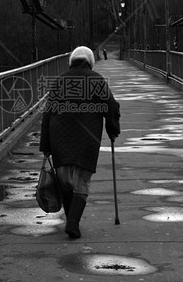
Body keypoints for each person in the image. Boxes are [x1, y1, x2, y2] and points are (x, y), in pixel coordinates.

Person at [39, 46, 120, 239]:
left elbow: (47, 114)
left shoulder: (59, 81)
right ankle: (73, 223)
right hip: (87, 140)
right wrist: (113, 129)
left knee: (65, 180)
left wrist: (46, 145)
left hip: (59, 137)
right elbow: (111, 106)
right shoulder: (97, 80)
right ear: (90, 61)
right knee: (82, 180)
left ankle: (71, 221)